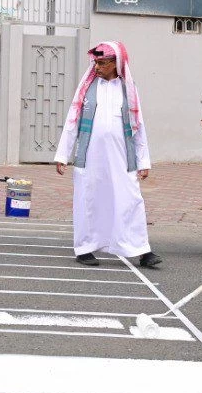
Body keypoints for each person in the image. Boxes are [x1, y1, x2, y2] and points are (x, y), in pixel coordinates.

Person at [54, 42, 161, 269]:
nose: (97, 67)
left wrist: (144, 161)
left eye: (102, 62)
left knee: (131, 199)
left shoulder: (128, 89)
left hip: (122, 157)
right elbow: (73, 120)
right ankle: (84, 248)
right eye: (96, 62)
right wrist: (63, 154)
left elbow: (138, 126)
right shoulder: (87, 87)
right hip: (90, 157)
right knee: (89, 199)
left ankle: (141, 250)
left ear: (116, 64)